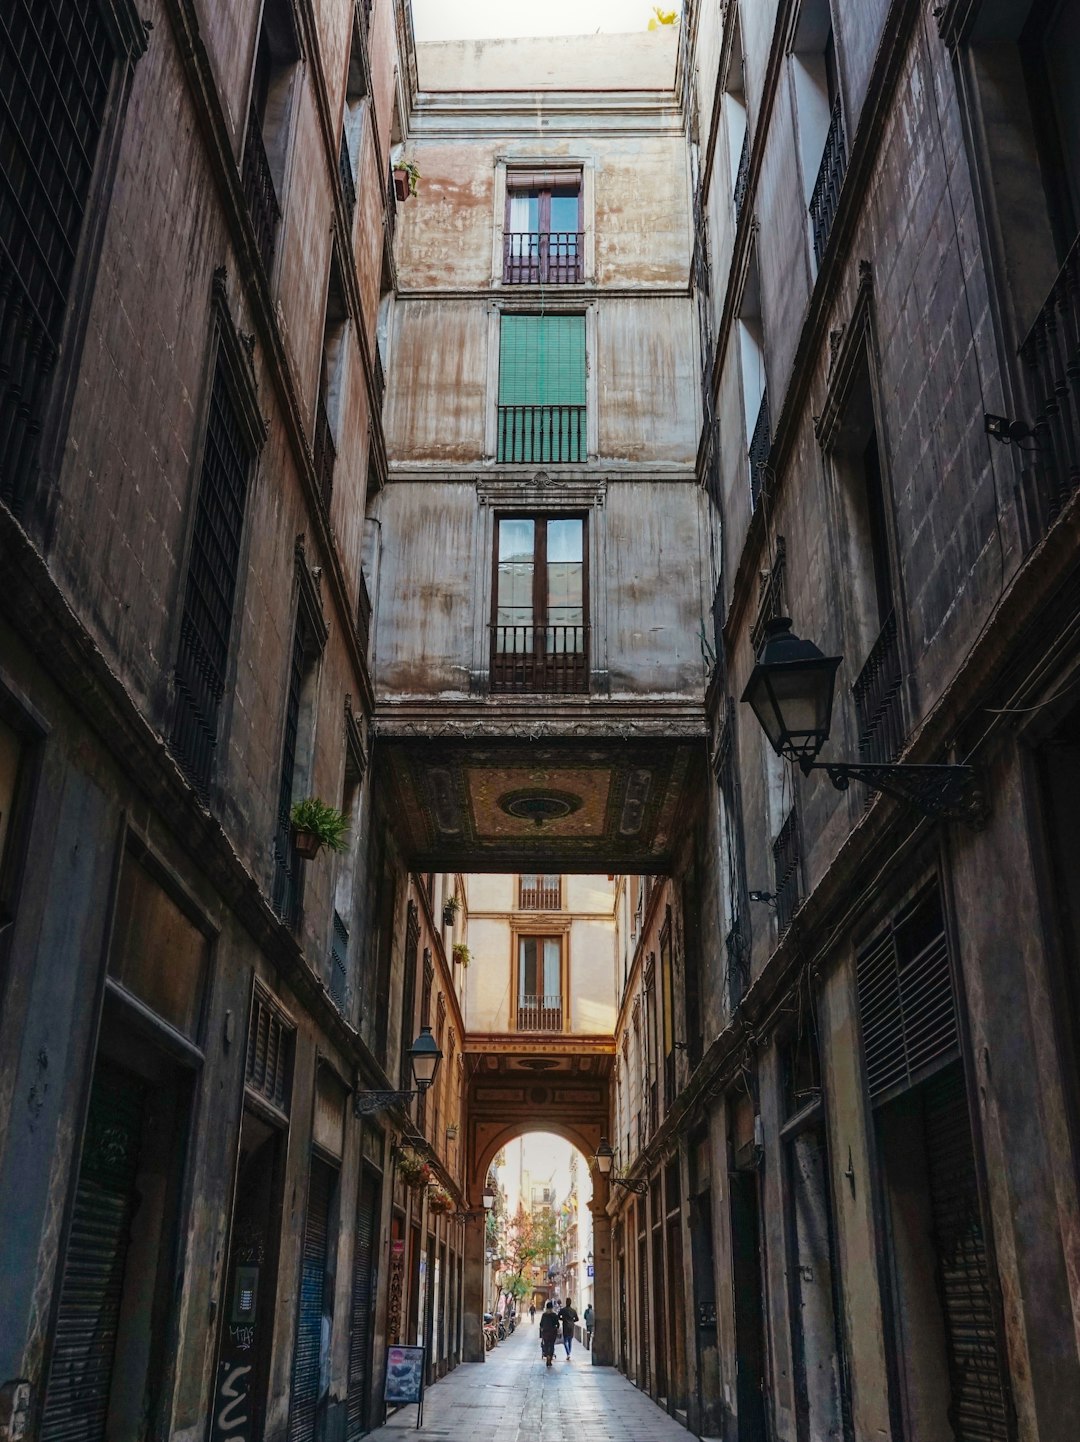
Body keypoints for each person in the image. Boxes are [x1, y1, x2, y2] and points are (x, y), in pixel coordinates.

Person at [539, 1301, 559, 1367]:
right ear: (552, 1307)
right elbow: (557, 1324)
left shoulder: (544, 1315)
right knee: (552, 1345)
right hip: (553, 1332)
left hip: (545, 1332)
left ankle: (547, 1356)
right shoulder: (554, 1315)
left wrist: (542, 1329)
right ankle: (550, 1358)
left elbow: (541, 1324)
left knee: (546, 1345)